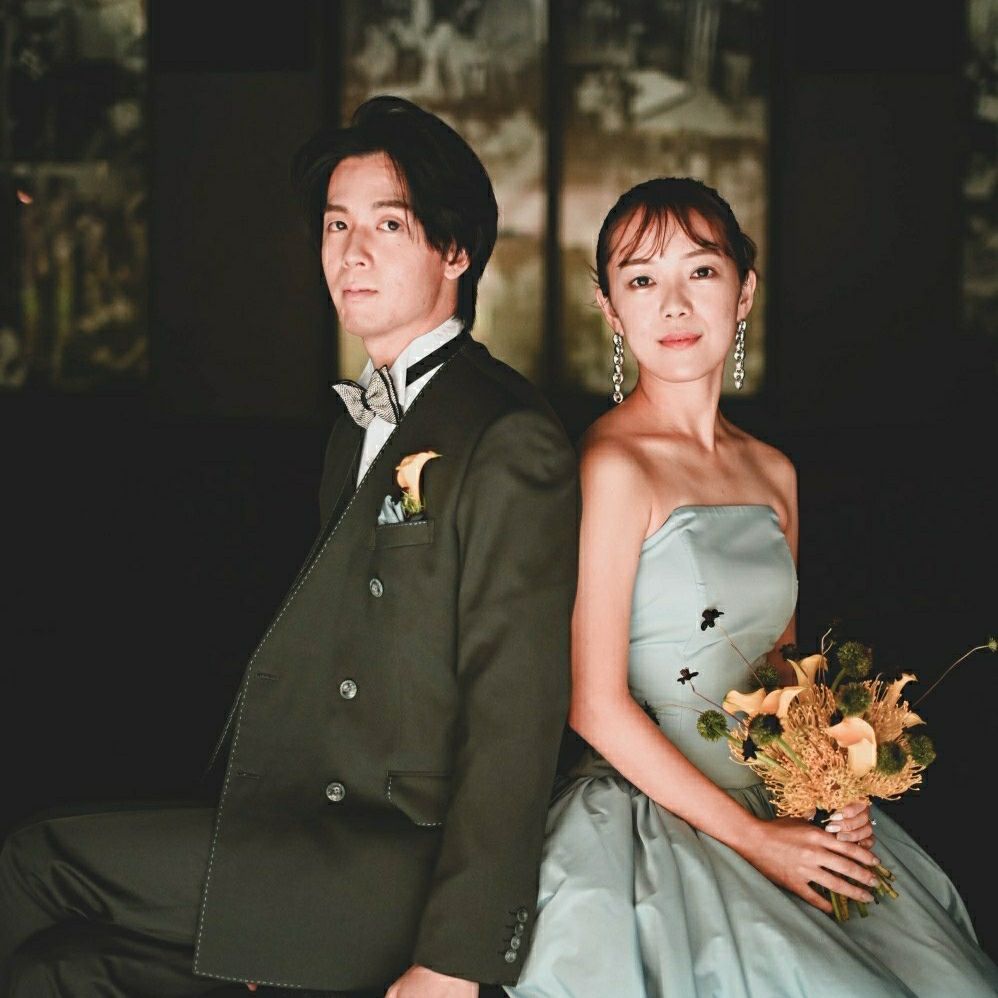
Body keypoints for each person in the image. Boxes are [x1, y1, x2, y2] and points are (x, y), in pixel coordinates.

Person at [0, 96, 578, 997]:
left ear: (457, 252)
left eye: (388, 224)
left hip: (384, 859)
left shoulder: (505, 433)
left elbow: (517, 715)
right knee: (59, 972)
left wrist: (456, 962)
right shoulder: (355, 428)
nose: (352, 252)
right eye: (337, 224)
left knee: (35, 861)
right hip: (300, 819)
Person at [506, 177, 998, 997]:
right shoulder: (612, 466)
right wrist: (757, 841)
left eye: (700, 271)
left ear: (744, 291)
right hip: (656, 813)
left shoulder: (773, 473)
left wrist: (835, 784)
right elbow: (591, 703)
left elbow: (782, 676)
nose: (673, 303)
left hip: (777, 802)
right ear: (610, 309)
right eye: (641, 279)